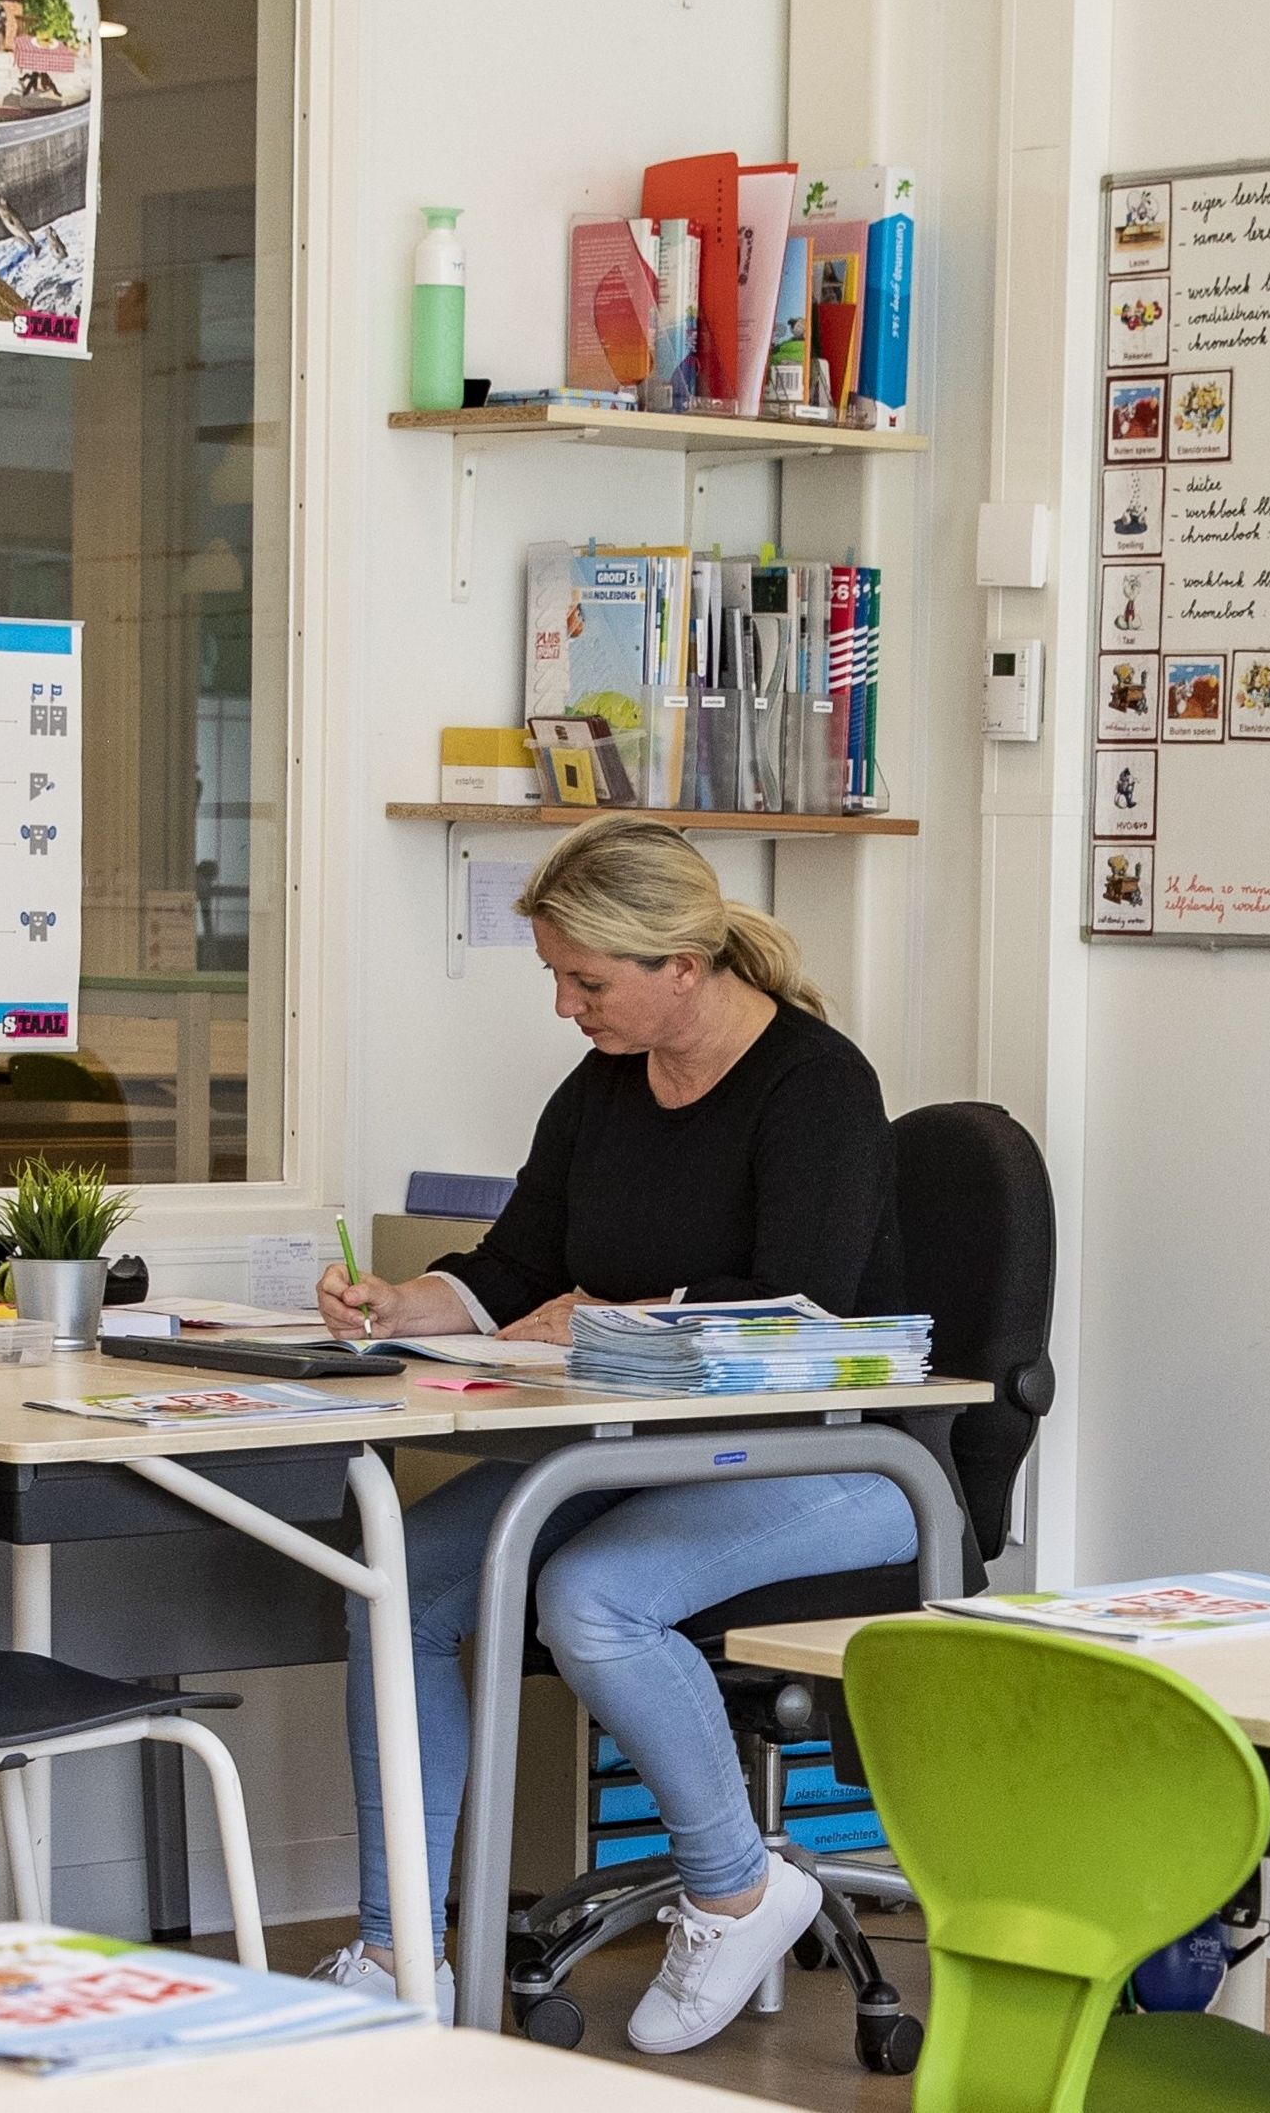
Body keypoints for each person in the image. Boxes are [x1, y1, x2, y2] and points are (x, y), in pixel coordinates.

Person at [308, 816, 929, 2056]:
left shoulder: (818, 1085)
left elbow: (793, 1298)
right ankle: (395, 1952)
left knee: (592, 1594)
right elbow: (517, 1265)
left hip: (843, 1460)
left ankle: (738, 1887)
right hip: (643, 1454)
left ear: (681, 967)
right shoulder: (601, 1086)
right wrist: (405, 1300)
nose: (562, 1005)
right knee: (400, 1582)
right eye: (554, 975)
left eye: (584, 980)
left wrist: (614, 1317)